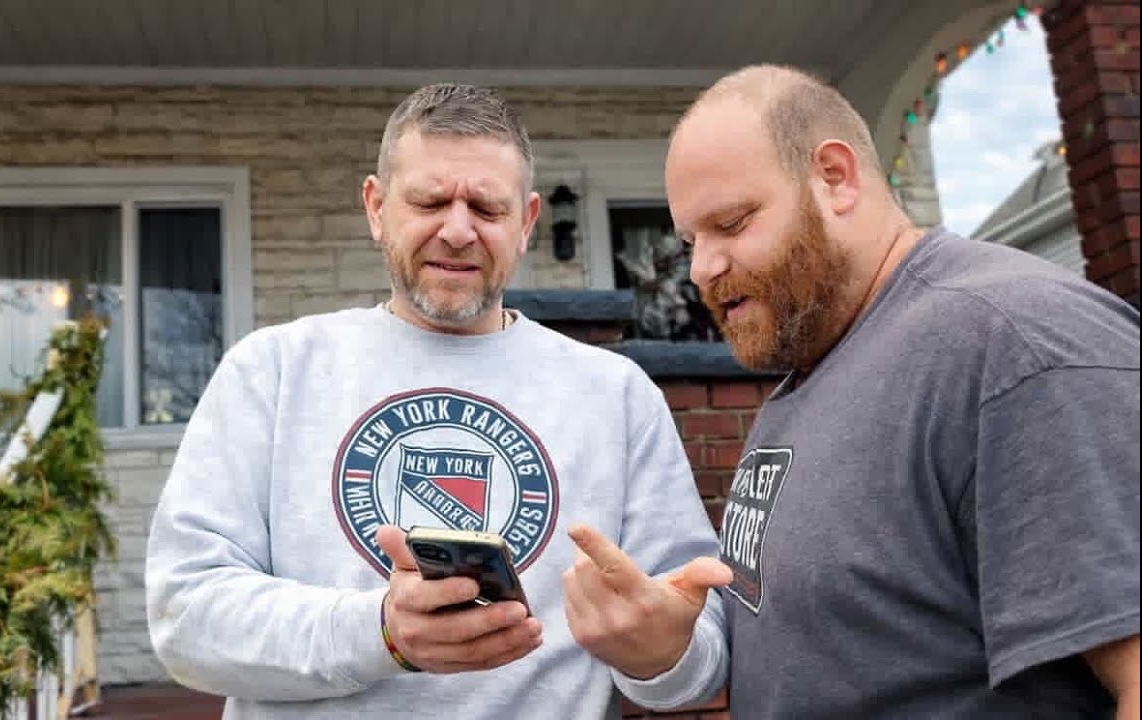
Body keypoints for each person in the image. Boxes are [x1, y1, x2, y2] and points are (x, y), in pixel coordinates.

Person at [145, 83, 732, 720]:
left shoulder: (617, 395)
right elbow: (186, 616)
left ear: (527, 222)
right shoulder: (273, 372)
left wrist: (661, 654)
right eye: (429, 201)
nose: (457, 231)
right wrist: (380, 631)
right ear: (376, 208)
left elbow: (696, 658)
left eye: (487, 207)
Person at [665, 63, 1140, 719]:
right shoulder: (815, 369)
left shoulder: (1015, 343)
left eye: (732, 222)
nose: (701, 268)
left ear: (835, 177)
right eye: (690, 240)